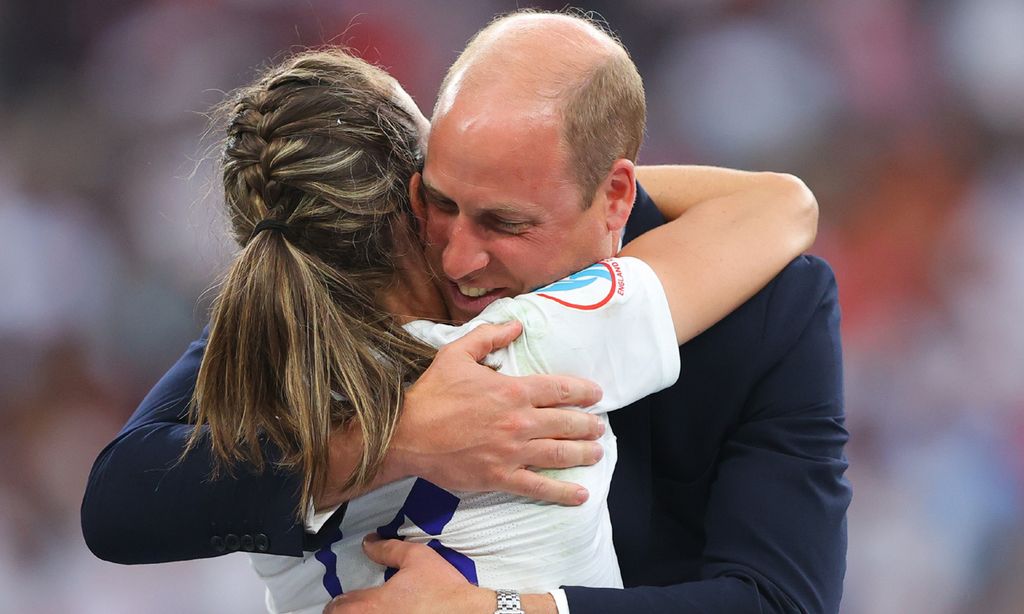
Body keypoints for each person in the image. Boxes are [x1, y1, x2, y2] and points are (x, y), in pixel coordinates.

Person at [83, 9, 849, 614]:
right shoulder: (497, 334)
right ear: (403, 193)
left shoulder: (770, 306)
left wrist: (505, 608)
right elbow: (122, 496)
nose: (457, 257)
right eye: (438, 204)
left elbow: (777, 601)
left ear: (611, 194)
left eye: (504, 220)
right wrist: (395, 438)